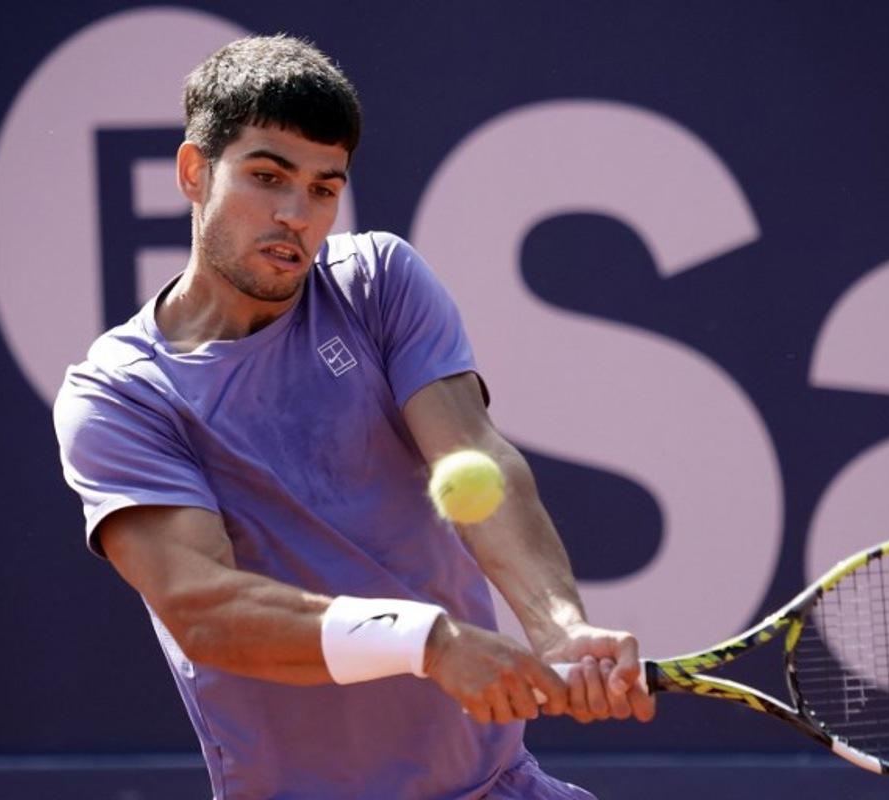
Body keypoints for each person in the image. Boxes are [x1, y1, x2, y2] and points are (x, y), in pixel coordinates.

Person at [53, 34, 654, 799]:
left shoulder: (378, 282)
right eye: (267, 177)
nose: (295, 215)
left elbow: (473, 455)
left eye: (323, 189)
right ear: (194, 171)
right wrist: (426, 642)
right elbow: (205, 608)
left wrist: (559, 625)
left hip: (501, 783)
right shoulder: (121, 394)